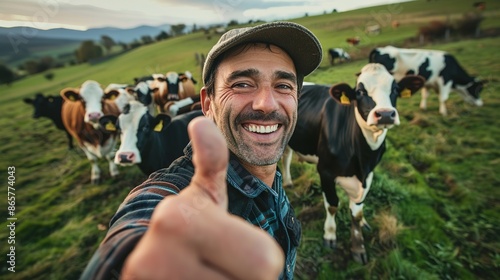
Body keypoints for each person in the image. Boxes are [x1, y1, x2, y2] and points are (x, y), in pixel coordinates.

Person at [80, 21, 322, 280]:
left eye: (284, 86)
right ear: (208, 103)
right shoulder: (177, 195)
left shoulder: (269, 175)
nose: (266, 104)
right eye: (241, 84)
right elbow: (140, 229)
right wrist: (137, 261)